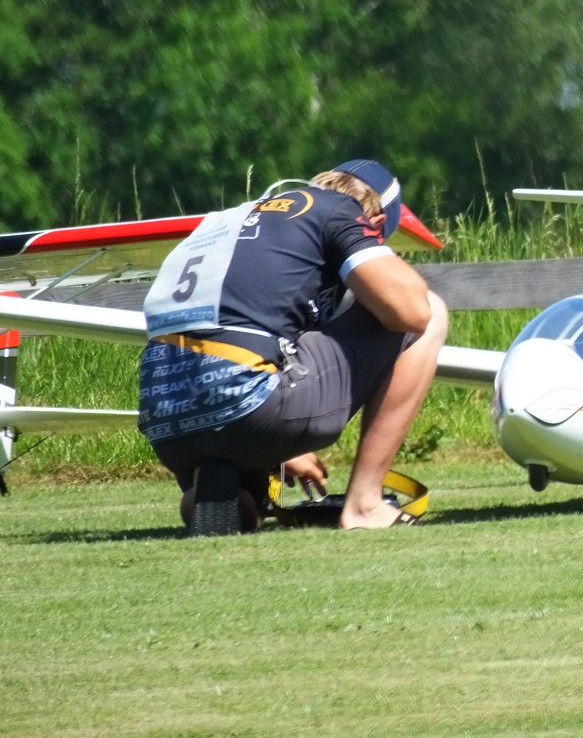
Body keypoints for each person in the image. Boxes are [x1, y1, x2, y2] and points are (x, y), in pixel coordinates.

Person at [136, 159, 447, 535]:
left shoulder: (233, 219)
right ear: (376, 225)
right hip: (247, 403)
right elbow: (410, 312)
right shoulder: (338, 211)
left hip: (166, 423)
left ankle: (231, 492)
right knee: (431, 311)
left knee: (244, 496)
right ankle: (365, 504)